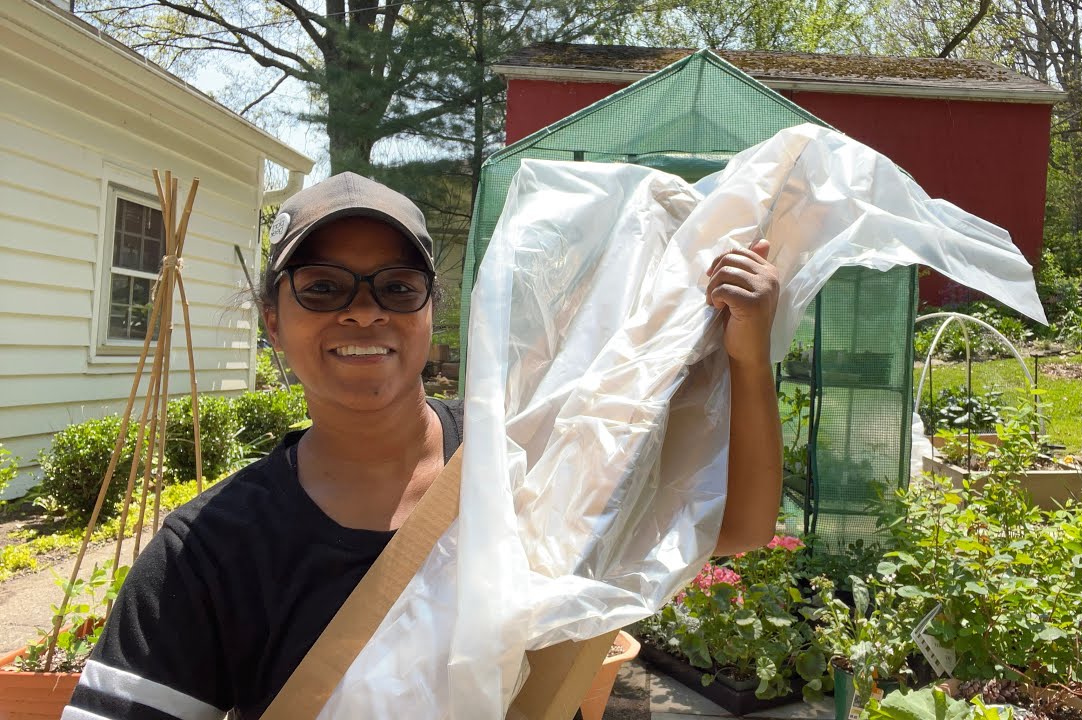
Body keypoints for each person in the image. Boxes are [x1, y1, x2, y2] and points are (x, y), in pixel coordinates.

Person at [66, 172, 783, 719]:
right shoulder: (211, 550)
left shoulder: (520, 459)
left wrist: (749, 359)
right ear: (272, 321)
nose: (363, 310)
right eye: (320, 287)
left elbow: (739, 529)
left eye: (397, 286)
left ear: (432, 312)